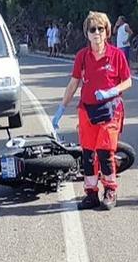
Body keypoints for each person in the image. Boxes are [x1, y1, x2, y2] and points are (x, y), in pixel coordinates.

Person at [51, 12, 133, 211]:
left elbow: (128, 81)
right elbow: (73, 83)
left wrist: (112, 91)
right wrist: (61, 108)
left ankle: (110, 190)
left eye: (100, 29)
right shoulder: (82, 56)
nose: (96, 33)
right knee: (88, 154)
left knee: (105, 152)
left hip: (110, 110)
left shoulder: (116, 55)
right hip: (87, 110)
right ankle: (90, 193)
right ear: (87, 33)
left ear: (107, 31)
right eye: (92, 29)